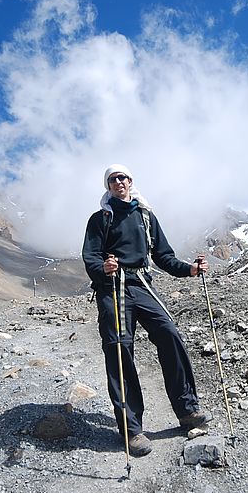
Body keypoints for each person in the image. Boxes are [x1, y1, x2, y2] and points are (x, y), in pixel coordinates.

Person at [82, 164, 212, 456]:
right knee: (119, 348)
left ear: (131, 181)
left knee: (169, 333)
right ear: (108, 186)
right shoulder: (100, 219)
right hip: (112, 287)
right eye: (113, 179)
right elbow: (90, 256)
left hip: (141, 284)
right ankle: (132, 430)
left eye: (123, 177)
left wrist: (190, 269)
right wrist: (102, 268)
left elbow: (163, 256)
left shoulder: (145, 216)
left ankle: (187, 410)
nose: (119, 182)